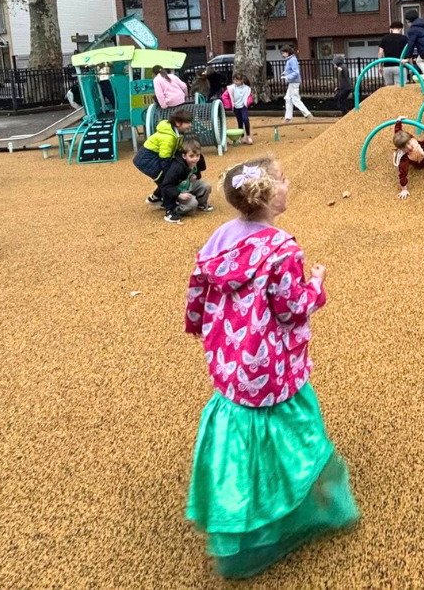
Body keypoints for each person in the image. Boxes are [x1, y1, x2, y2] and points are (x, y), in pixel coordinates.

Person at [184, 156, 359, 577]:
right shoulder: (282, 249)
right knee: (294, 425)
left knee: (243, 424)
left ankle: (239, 505)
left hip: (231, 356)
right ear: (266, 193)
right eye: (281, 179)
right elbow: (291, 309)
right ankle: (301, 504)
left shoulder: (221, 237)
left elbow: (198, 282)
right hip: (270, 362)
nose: (287, 183)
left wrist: (197, 321)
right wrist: (316, 284)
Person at [133, 111, 197, 223]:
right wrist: (170, 176)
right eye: (187, 122)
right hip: (147, 159)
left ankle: (155, 198)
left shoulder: (176, 133)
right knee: (166, 182)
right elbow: (165, 157)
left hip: (154, 157)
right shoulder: (168, 137)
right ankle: (170, 211)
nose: (190, 125)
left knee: (167, 179)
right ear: (178, 123)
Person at [172, 138, 213, 214]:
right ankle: (175, 209)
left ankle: (201, 204)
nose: (195, 159)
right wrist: (178, 194)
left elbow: (198, 173)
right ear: (184, 156)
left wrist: (195, 176)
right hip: (179, 190)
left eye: (197, 155)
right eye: (191, 156)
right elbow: (168, 184)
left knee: (206, 186)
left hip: (189, 185)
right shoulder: (178, 167)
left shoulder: (196, 163)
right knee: (193, 203)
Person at [280, 45, 313, 123]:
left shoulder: (292, 60)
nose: (282, 55)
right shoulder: (291, 60)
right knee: (288, 99)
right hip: (293, 82)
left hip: (294, 82)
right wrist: (285, 73)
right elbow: (293, 70)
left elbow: (296, 72)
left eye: (283, 53)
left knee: (295, 99)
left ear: (287, 53)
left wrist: (287, 77)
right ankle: (288, 118)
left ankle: (307, 115)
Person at [223, 73, 254, 145]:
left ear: (241, 80)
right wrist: (228, 105)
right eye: (234, 80)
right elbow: (224, 96)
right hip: (236, 107)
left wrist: (248, 102)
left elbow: (250, 96)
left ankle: (248, 136)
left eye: (237, 80)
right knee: (239, 122)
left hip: (243, 106)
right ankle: (242, 137)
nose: (235, 82)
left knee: (245, 119)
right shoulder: (231, 88)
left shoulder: (247, 88)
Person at [378, 21, 409, 87]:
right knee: (400, 88)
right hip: (400, 66)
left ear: (391, 29)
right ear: (401, 29)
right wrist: (410, 66)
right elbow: (408, 52)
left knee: (389, 89)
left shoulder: (385, 38)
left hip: (387, 67)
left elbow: (380, 52)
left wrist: (380, 66)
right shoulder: (404, 38)